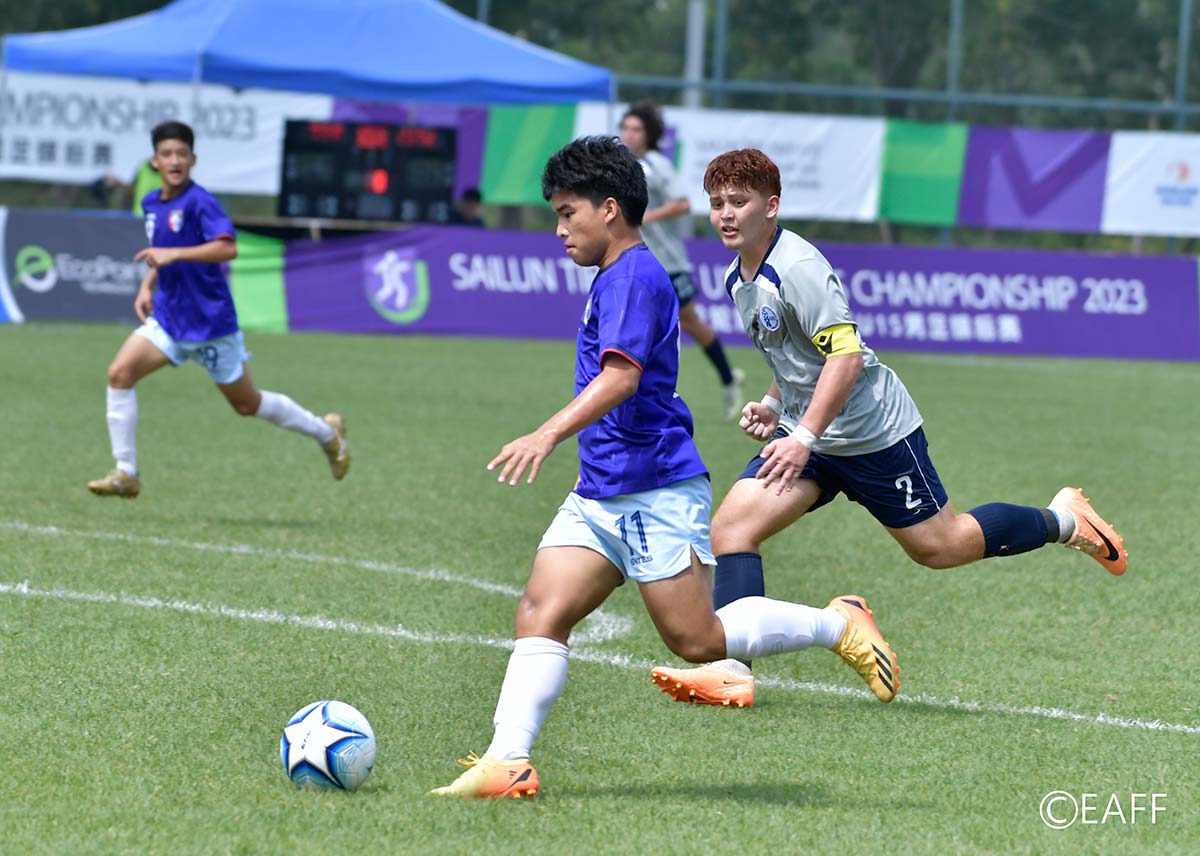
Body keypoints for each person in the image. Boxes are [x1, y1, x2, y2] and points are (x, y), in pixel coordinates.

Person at [430, 136, 899, 800]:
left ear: (609, 209)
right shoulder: (614, 274)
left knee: (698, 640)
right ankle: (509, 761)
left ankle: (837, 623)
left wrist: (548, 433)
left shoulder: (633, 277)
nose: (560, 229)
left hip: (653, 490)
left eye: (568, 213)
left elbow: (621, 377)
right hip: (602, 490)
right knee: (540, 609)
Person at [650, 149, 1127, 709]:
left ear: (771, 206)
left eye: (739, 202)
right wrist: (775, 405)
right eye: (717, 204)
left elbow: (846, 358)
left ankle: (1065, 520)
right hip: (812, 436)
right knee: (732, 529)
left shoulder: (798, 269)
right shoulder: (739, 275)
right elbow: (798, 353)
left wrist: (802, 437)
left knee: (941, 546)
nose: (726, 214)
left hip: (873, 433)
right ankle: (731, 669)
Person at [86, 121, 349, 498]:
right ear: (154, 162)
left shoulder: (201, 202)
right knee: (119, 374)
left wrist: (175, 254)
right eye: (166, 154)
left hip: (210, 324)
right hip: (169, 319)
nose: (175, 161)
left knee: (246, 404)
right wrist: (147, 284)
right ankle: (126, 472)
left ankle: (327, 433)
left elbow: (228, 247)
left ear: (193, 160)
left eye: (181, 154)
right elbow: (162, 251)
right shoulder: (151, 204)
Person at [620, 100, 744, 419]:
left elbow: (683, 204)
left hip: (669, 262)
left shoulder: (657, 165)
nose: (629, 134)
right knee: (643, 323)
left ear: (649, 134)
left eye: (636, 129)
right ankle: (638, 394)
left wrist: (647, 217)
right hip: (637, 262)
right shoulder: (621, 167)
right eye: (626, 128)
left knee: (688, 322)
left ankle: (728, 378)